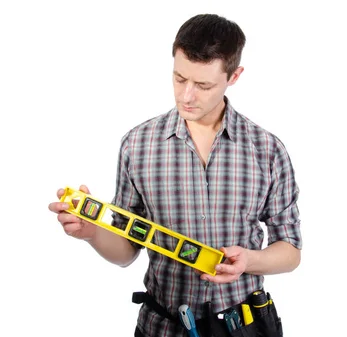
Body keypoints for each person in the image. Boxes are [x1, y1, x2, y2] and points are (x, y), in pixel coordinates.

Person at [48, 13, 301, 337]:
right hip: (162, 327)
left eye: (203, 85)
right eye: (179, 78)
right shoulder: (137, 145)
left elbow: (290, 251)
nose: (186, 95)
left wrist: (248, 261)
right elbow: (127, 250)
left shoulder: (266, 150)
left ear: (234, 76)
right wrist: (93, 233)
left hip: (245, 326)